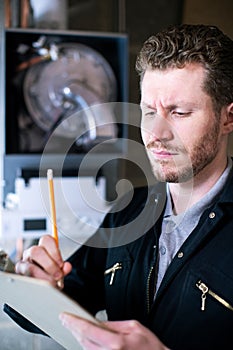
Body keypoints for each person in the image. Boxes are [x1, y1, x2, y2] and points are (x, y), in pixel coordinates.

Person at [4, 23, 233, 350]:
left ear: (228, 118)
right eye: (149, 111)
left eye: (179, 112)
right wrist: (33, 286)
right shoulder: (128, 211)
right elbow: (57, 305)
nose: (156, 132)